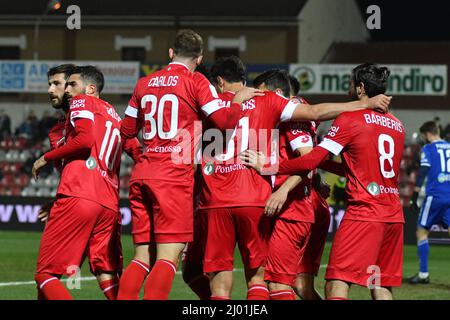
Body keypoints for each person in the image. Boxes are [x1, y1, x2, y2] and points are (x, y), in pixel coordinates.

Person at [117, 29, 262, 300]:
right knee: (167, 258)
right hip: (172, 177)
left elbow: (125, 132)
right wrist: (237, 102)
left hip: (143, 175)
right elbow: (224, 123)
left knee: (141, 257)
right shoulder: (196, 82)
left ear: (170, 53)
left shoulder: (144, 83)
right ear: (199, 58)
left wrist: (143, 157)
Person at [242, 63, 404, 300]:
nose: (347, 88)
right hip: (394, 215)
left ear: (360, 88)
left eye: (350, 84)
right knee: (379, 284)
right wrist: (319, 168)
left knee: (336, 284)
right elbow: (351, 169)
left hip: (365, 212)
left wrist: (269, 165)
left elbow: (309, 160)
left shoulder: (350, 119)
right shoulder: (397, 125)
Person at [32, 66, 140, 300]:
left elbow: (84, 141)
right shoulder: (109, 114)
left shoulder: (83, 106)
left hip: (80, 199)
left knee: (46, 274)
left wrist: (45, 158)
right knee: (105, 272)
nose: (52, 90)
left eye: (58, 84)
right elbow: (134, 148)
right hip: (106, 204)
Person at [408, 121, 450, 284]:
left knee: (421, 231)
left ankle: (423, 274)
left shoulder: (428, 148)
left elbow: (423, 171)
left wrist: (414, 195)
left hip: (435, 196)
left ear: (427, 134)